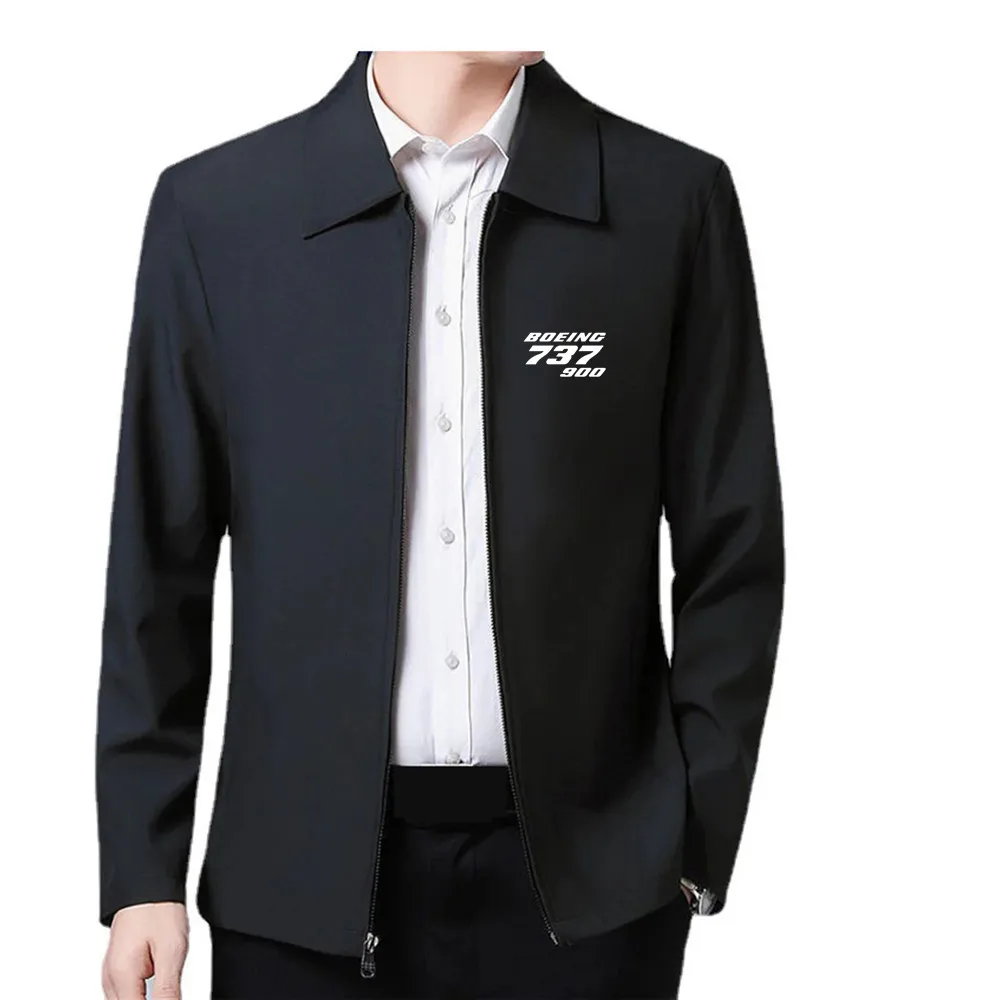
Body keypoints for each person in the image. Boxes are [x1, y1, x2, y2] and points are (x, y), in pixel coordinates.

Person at [97, 49, 784, 999]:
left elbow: (734, 545)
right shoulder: (218, 211)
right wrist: (143, 870)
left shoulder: (670, 201)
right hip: (295, 897)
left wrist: (692, 833)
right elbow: (157, 565)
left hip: (597, 898)